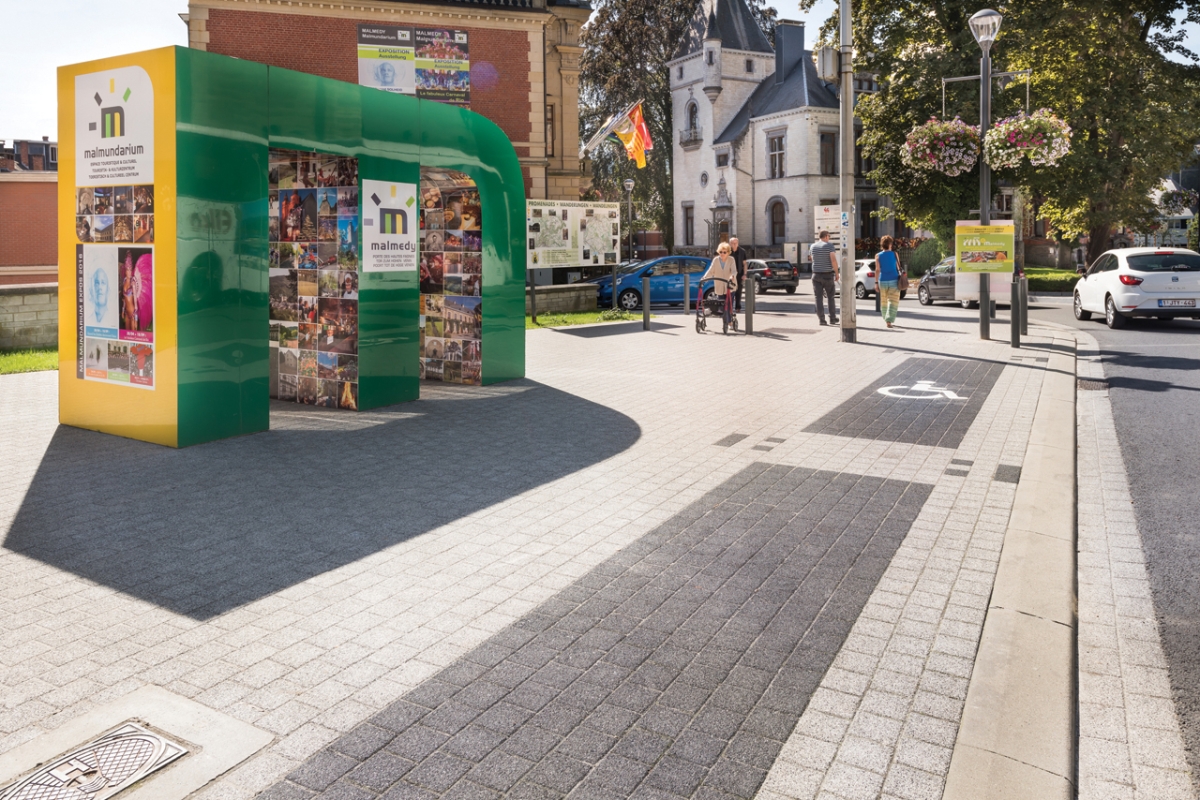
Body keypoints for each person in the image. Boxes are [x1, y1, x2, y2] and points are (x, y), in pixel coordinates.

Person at [810, 230, 839, 325]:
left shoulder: (813, 246)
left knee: (818, 298)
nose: (829, 238)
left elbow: (813, 259)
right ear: (826, 236)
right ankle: (832, 318)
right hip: (827, 275)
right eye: (829, 236)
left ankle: (821, 320)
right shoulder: (829, 246)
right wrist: (837, 273)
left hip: (815, 275)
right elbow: (833, 260)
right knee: (830, 297)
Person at [702, 242, 738, 317]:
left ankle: (729, 322)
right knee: (722, 306)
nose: (722, 254)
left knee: (728, 305)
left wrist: (732, 276)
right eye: (720, 252)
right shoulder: (716, 260)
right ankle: (726, 321)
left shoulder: (731, 259)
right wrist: (704, 278)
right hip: (719, 287)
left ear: (728, 252)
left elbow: (734, 271)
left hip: (730, 286)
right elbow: (710, 270)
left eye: (724, 252)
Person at [875, 235, 904, 328]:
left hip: (882, 280)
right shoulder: (895, 254)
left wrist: (876, 283)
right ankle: (889, 320)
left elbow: (877, 270)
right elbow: (898, 267)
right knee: (893, 300)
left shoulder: (878, 255)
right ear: (890, 244)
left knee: (883, 301)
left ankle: (885, 318)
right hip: (894, 280)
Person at [729, 237, 748, 312]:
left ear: (738, 243)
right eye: (732, 243)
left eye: (735, 243)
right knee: (730, 290)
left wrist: (745, 274)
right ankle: (730, 307)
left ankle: (738, 307)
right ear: (730, 244)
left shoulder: (742, 251)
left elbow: (745, 264)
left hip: (739, 274)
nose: (734, 245)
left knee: (738, 291)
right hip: (730, 274)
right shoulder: (727, 251)